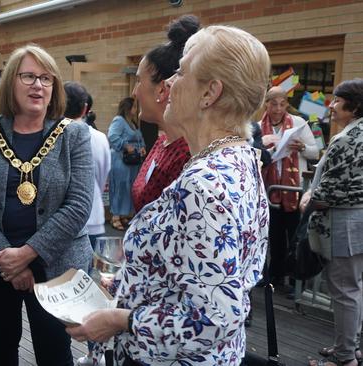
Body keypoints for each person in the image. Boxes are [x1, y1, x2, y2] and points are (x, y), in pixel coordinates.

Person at [66, 25, 271, 366]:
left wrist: (121, 320)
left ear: (210, 93)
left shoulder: (206, 182)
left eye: (182, 71)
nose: (170, 84)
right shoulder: (239, 156)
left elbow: (217, 318)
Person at [0, 44, 93, 366]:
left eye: (46, 79)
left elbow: (79, 205)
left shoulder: (74, 135)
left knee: (55, 354)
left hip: (57, 267)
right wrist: (7, 257)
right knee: (0, 349)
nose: (38, 85)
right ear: (10, 84)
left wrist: (26, 255)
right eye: (29, 76)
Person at [301, 79, 363, 366]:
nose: (331, 105)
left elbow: (328, 193)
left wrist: (309, 198)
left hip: (344, 224)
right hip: (356, 222)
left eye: (337, 100)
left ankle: (345, 358)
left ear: (354, 106)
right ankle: (349, 346)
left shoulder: (347, 139)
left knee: (344, 291)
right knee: (354, 288)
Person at [131, 15, 198, 212]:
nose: (134, 92)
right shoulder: (163, 142)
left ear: (162, 89)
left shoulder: (188, 156)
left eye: (138, 81)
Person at [64, 82, 110, 366]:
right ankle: (96, 353)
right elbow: (103, 177)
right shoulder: (97, 137)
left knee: (66, 288)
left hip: (64, 226)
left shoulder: (50, 135)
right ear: (86, 108)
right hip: (93, 220)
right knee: (97, 291)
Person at [259, 86, 319, 287]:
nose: (278, 108)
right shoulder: (258, 127)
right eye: (273, 104)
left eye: (282, 104)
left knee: (294, 236)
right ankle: (275, 276)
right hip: (270, 188)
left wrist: (302, 147)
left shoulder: (299, 123)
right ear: (266, 104)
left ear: (287, 104)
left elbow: (315, 152)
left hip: (295, 190)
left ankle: (295, 280)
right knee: (274, 237)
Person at [108, 97, 145, 230]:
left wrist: (142, 147)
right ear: (128, 108)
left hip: (133, 161)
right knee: (120, 186)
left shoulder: (133, 123)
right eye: (134, 107)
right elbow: (112, 136)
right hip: (121, 160)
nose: (136, 109)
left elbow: (139, 138)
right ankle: (115, 216)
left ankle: (124, 213)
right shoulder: (119, 121)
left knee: (129, 187)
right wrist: (125, 145)